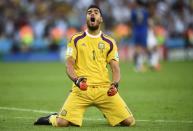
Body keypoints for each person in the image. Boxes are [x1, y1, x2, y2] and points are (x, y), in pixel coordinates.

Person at [34, 5, 135, 127]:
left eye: (96, 12)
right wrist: (76, 80)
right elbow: (69, 65)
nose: (92, 14)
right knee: (61, 123)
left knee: (129, 122)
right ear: (86, 18)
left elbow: (115, 67)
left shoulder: (110, 42)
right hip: (82, 88)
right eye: (89, 12)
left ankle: (109, 112)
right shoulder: (75, 39)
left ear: (101, 18)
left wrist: (115, 83)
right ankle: (53, 118)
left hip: (104, 90)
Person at [131, 1, 149, 72]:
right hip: (143, 30)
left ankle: (138, 65)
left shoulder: (133, 12)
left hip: (136, 30)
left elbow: (132, 21)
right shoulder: (145, 11)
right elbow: (146, 20)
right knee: (142, 48)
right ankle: (140, 65)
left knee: (137, 48)